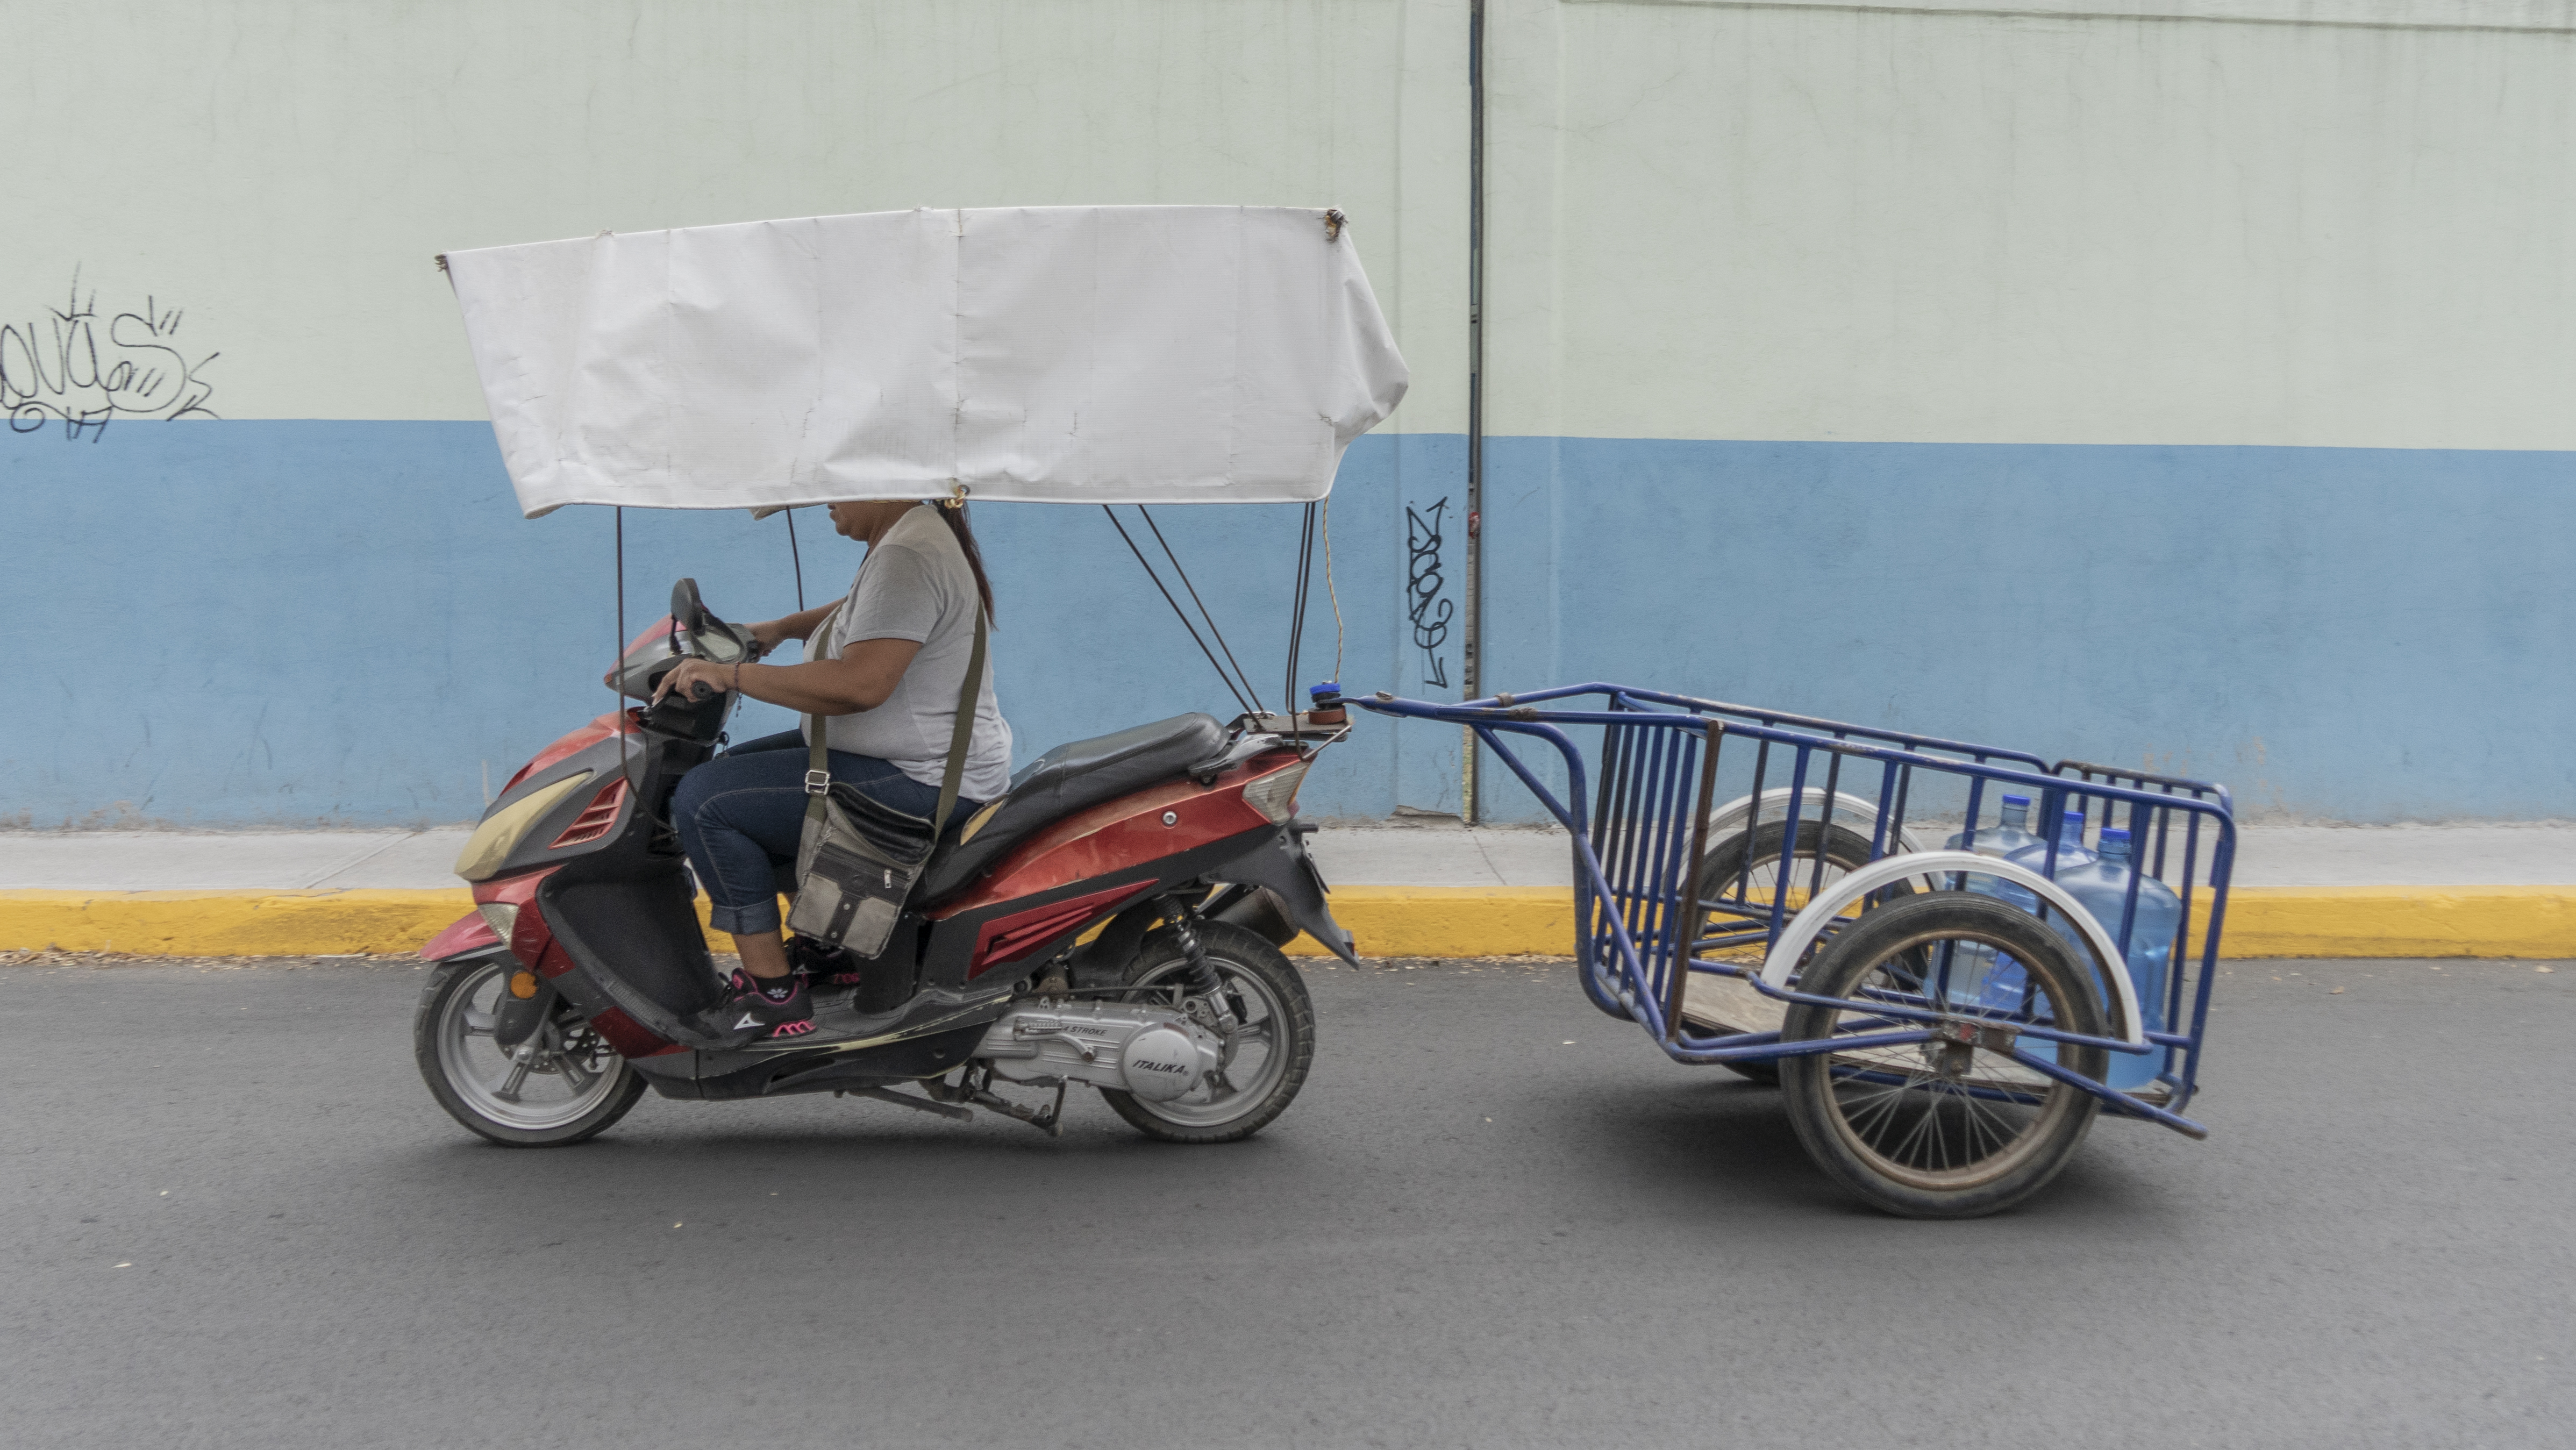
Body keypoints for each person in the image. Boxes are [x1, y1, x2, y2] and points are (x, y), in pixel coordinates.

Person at [655, 498, 1012, 1040]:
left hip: (923, 781)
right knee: (735, 777)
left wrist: (732, 676)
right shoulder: (912, 536)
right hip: (915, 764)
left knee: (706, 802)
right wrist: (776, 629)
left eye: (837, 485)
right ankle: (832, 945)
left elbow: (861, 685)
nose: (826, 499)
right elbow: (864, 612)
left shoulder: (909, 553)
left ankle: (774, 997)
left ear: (882, 482)